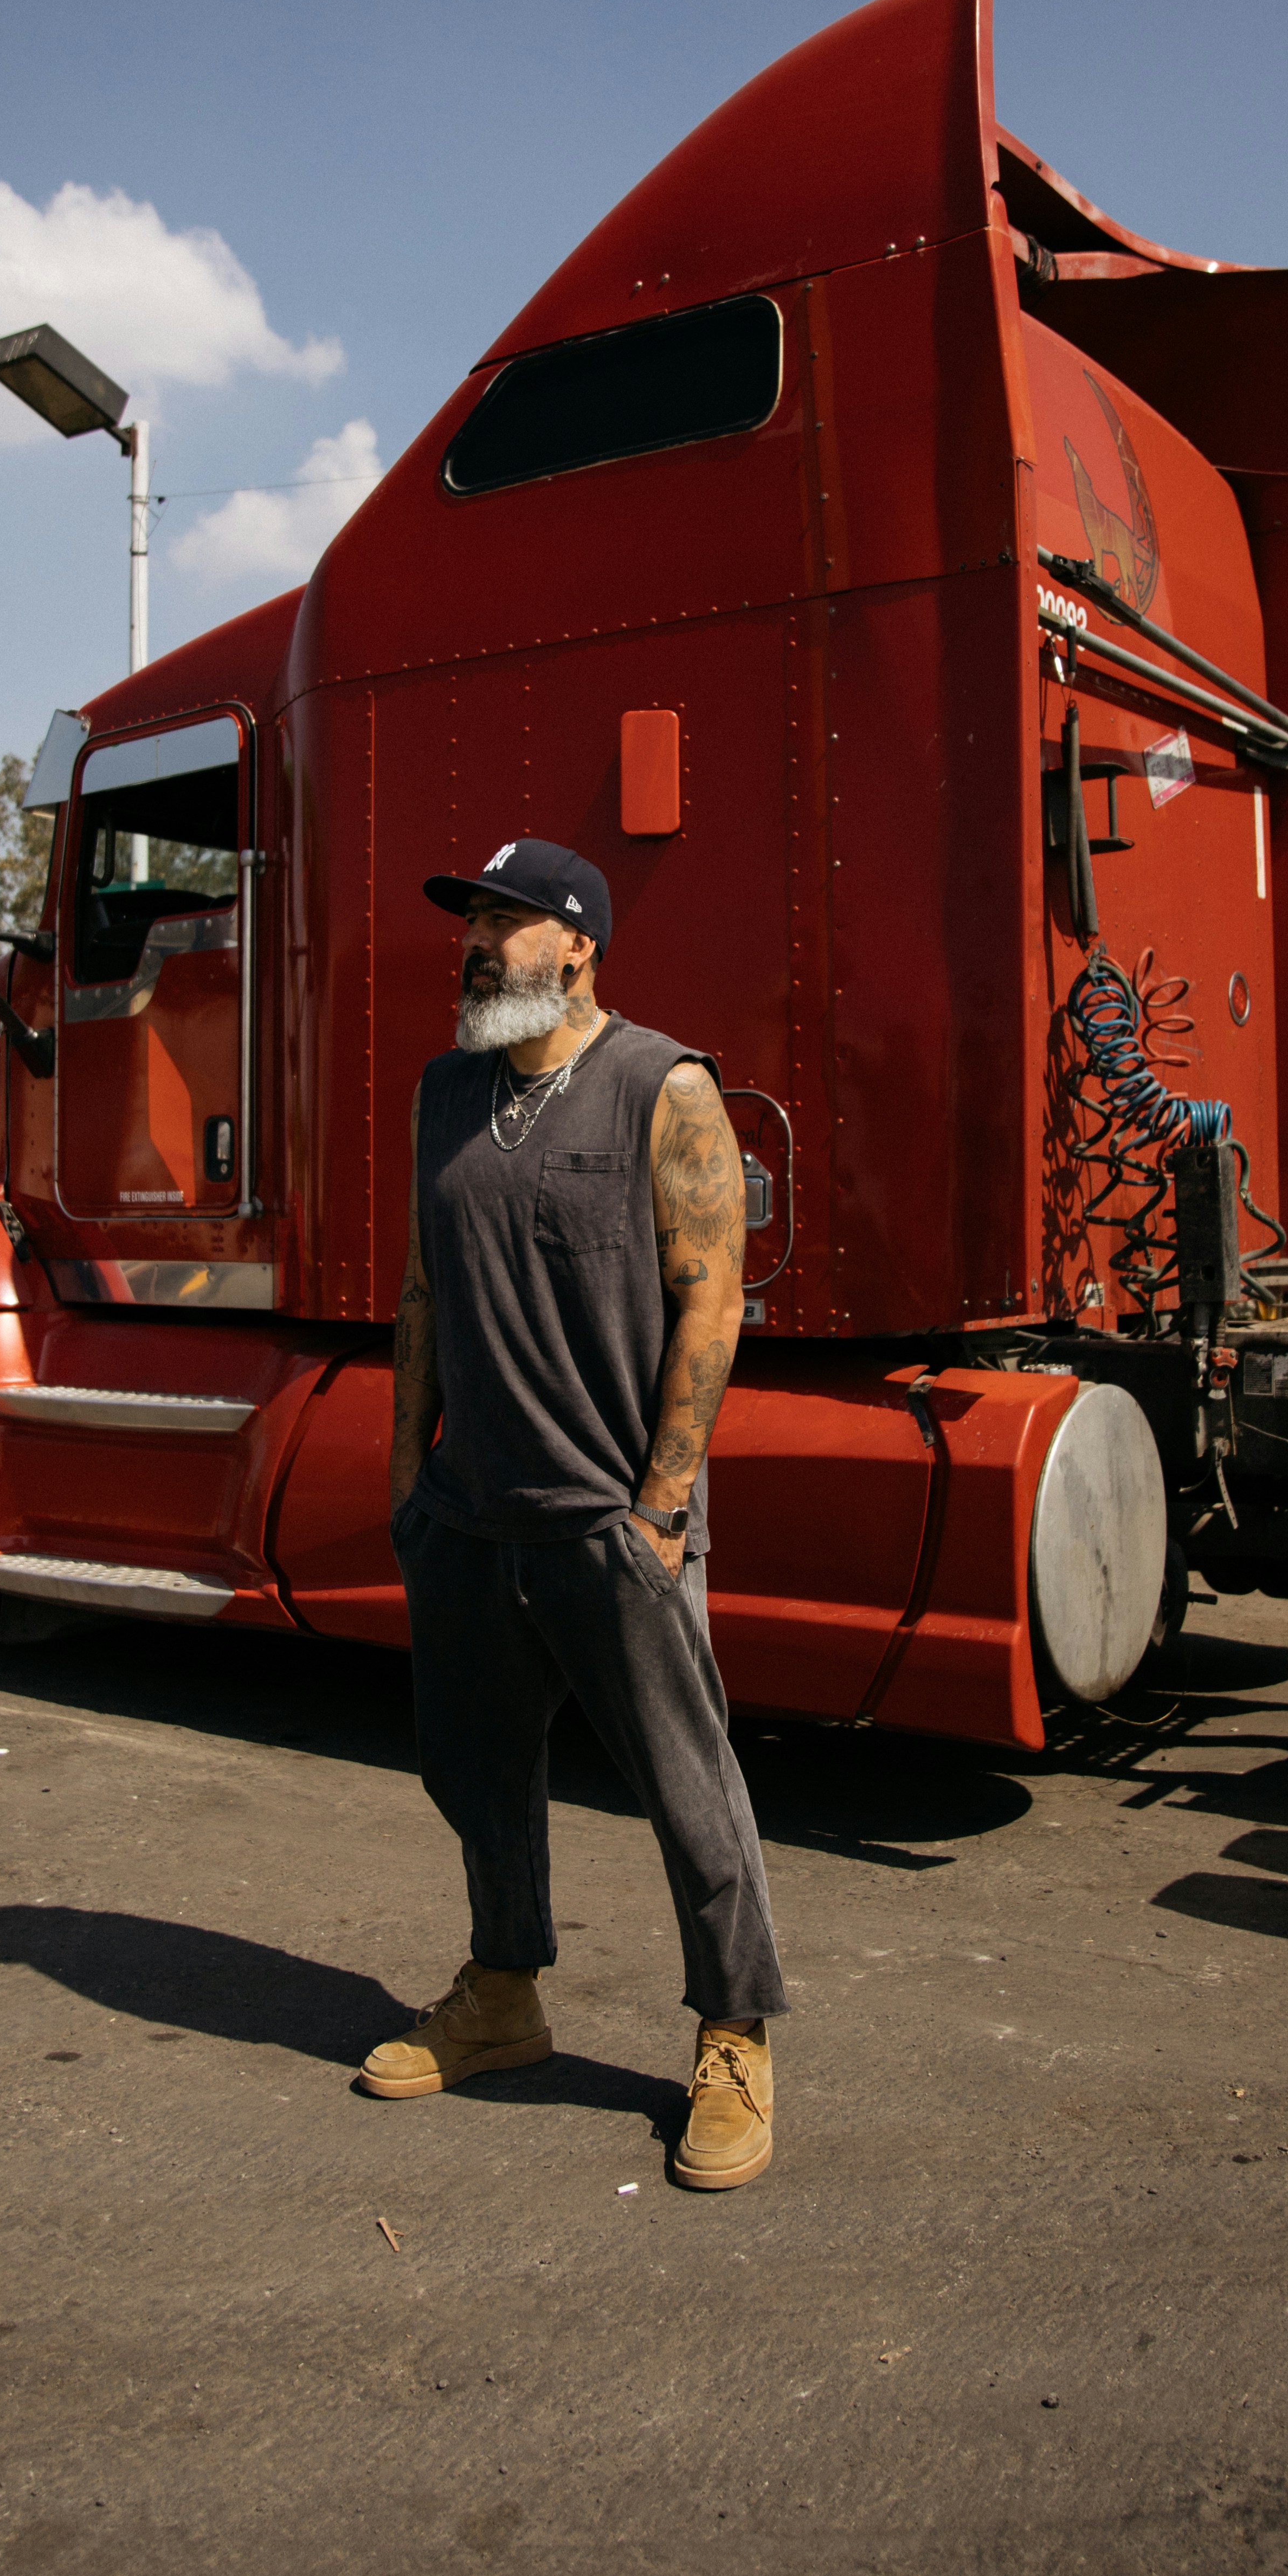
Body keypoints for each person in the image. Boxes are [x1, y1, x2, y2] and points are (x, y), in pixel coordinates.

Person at [357, 835, 786, 2189]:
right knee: (474, 1773)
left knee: (686, 1790)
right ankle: (503, 1995)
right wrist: (402, 1480)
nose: (475, 944)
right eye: (469, 921)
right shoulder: (445, 1095)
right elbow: (424, 1292)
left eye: (505, 920)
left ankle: (733, 2034)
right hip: (472, 1509)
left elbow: (711, 1294)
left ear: (580, 945)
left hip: (610, 1514)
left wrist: (662, 1507)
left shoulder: (664, 1088)